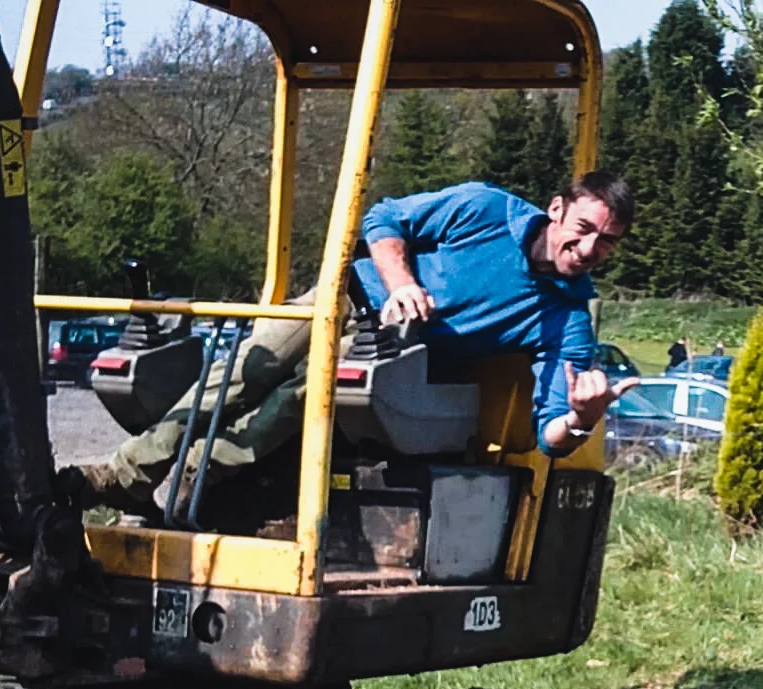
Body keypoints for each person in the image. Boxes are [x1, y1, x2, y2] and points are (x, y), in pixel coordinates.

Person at [70, 174, 636, 512]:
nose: (587, 250)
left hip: (395, 352)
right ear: (558, 209)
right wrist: (403, 283)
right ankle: (117, 477)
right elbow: (384, 219)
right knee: (246, 369)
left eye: (605, 244)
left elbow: (552, 433)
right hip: (347, 295)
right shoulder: (486, 209)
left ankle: (189, 480)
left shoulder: (567, 321)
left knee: (300, 394)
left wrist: (583, 418)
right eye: (583, 230)